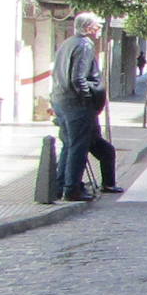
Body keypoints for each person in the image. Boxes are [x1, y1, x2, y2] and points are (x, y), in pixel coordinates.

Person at [51, 12, 106, 202]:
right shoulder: (84, 45)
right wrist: (87, 98)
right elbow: (77, 77)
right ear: (90, 28)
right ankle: (72, 188)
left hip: (60, 100)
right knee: (78, 147)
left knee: (69, 144)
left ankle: (60, 186)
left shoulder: (68, 43)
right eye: (98, 27)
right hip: (75, 104)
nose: (100, 30)